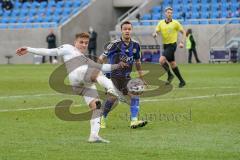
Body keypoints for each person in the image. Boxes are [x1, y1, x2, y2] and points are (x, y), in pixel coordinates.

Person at [16, 32, 128, 143]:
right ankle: (114, 91)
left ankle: (94, 136)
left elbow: (102, 66)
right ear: (75, 42)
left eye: (86, 43)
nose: (84, 45)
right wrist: (29, 49)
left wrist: (117, 66)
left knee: (97, 107)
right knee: (96, 73)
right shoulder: (68, 48)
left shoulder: (85, 58)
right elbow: (50, 51)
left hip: (81, 85)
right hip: (76, 75)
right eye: (81, 42)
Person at [98, 21, 148, 129]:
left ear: (131, 30)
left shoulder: (136, 45)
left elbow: (138, 62)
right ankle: (101, 119)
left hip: (126, 77)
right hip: (113, 76)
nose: (127, 31)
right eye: (125, 29)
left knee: (135, 93)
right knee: (112, 98)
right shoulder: (114, 44)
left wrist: (141, 77)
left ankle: (134, 121)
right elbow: (101, 58)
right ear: (121, 30)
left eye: (129, 29)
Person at [153, 7, 186, 88]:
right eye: (168, 12)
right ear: (165, 13)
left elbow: (184, 32)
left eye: (171, 13)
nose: (169, 14)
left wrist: (182, 42)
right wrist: (155, 34)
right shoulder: (160, 23)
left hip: (172, 45)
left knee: (161, 60)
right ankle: (182, 81)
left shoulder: (176, 23)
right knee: (173, 64)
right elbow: (156, 31)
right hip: (165, 45)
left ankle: (170, 75)